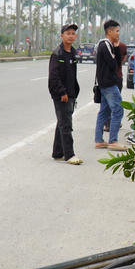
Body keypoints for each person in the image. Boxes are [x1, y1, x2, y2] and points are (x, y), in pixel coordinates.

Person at [49, 23, 82, 164]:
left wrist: (74, 91)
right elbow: (54, 76)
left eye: (73, 33)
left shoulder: (73, 52)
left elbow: (72, 75)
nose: (71, 36)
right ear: (62, 35)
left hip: (71, 93)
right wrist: (62, 91)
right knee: (66, 124)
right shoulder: (58, 54)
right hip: (61, 94)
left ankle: (57, 152)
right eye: (68, 33)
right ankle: (69, 155)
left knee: (62, 122)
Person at [94, 19, 126, 149]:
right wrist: (116, 49)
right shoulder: (105, 44)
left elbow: (116, 63)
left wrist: (117, 47)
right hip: (108, 84)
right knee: (118, 110)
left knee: (104, 111)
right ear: (109, 31)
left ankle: (99, 140)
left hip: (104, 83)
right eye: (117, 31)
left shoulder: (108, 45)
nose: (118, 34)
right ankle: (113, 141)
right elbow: (114, 65)